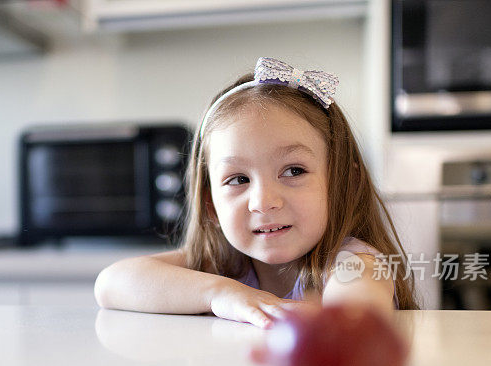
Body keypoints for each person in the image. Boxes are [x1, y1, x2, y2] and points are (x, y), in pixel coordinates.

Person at [95, 57, 418, 328]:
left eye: (294, 171)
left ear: (344, 185)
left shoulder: (354, 262)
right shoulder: (223, 268)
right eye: (238, 179)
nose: (264, 202)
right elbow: (110, 284)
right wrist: (220, 294)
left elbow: (356, 317)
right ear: (211, 206)